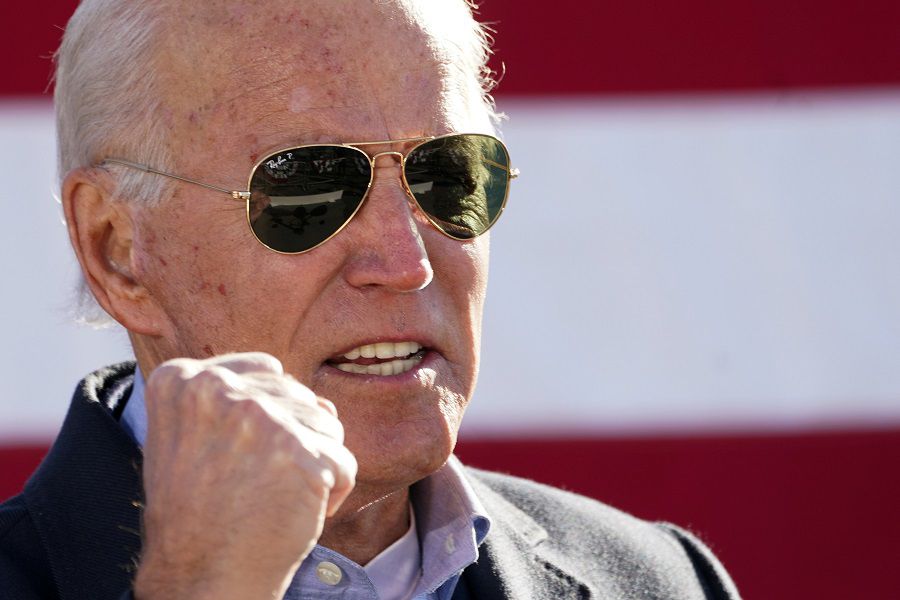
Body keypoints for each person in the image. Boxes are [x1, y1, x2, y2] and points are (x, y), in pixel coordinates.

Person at [0, 1, 740, 598]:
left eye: (447, 174)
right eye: (310, 188)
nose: (405, 261)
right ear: (116, 251)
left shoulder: (661, 582)